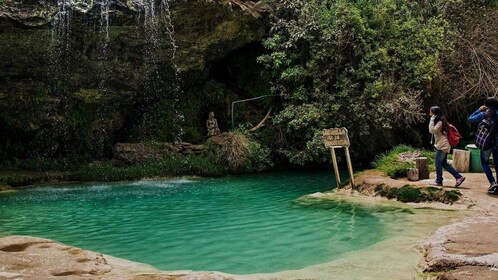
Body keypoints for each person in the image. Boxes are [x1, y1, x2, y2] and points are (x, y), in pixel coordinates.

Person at [429, 106, 466, 187]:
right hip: (443, 144)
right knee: (444, 163)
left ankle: (439, 181)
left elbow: (432, 130)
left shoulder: (440, 122)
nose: (429, 113)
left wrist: (431, 119)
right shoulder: (440, 120)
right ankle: (459, 177)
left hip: (443, 145)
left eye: (431, 112)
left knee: (438, 162)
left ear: (434, 113)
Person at [468, 97, 498, 193]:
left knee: (485, 163)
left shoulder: (484, 114)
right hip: (497, 143)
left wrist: (479, 110)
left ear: (486, 105)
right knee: (497, 164)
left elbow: (470, 119)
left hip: (487, 142)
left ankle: (492, 182)